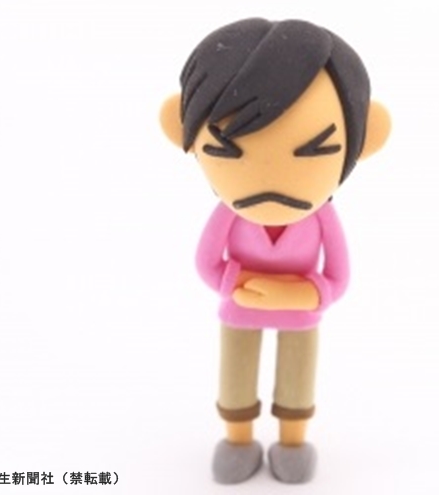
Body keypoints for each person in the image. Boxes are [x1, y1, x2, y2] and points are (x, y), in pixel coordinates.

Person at [160, 18, 390, 484]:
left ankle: (292, 441)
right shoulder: (229, 215)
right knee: (236, 377)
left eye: (314, 150)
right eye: (227, 150)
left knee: (297, 380)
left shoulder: (322, 217)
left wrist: (298, 295)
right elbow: (206, 263)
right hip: (240, 312)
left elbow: (339, 278)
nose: (269, 178)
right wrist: (240, 285)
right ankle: (238, 439)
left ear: (364, 140)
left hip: (301, 319)